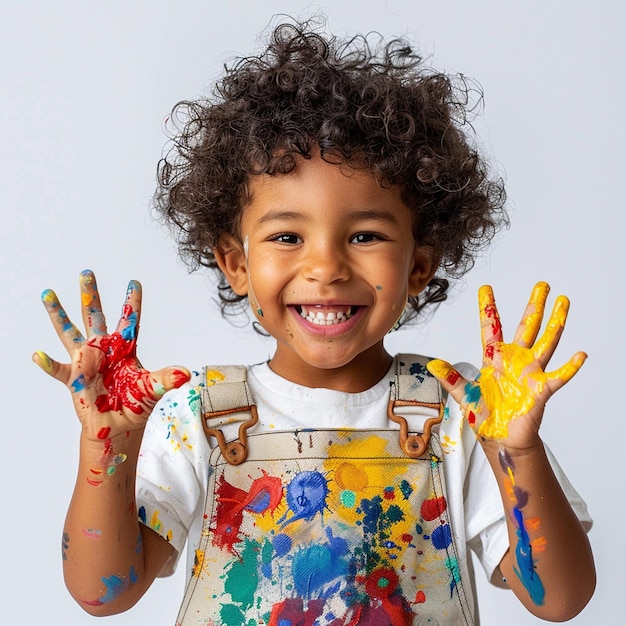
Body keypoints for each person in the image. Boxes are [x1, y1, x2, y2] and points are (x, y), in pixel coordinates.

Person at [34, 19, 595, 625]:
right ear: (235, 263)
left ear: (419, 266)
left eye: (365, 234)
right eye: (287, 235)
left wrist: (517, 449)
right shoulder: (193, 415)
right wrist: (106, 449)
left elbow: (559, 600)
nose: (325, 266)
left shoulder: (464, 414)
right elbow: (103, 593)